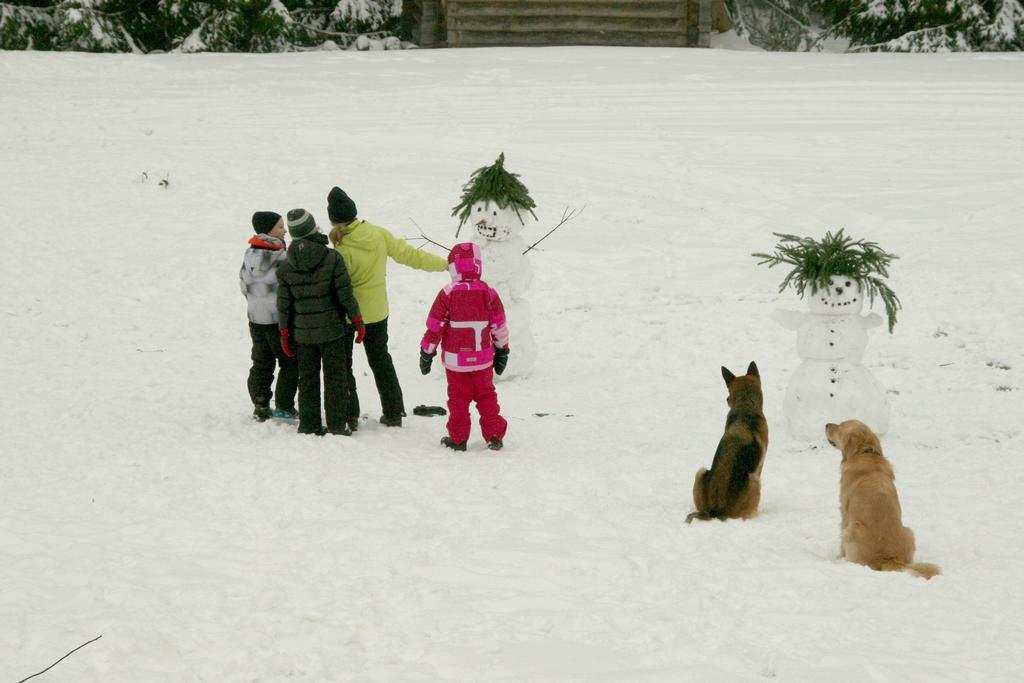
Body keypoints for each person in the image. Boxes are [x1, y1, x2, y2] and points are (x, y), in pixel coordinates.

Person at [326, 186, 447, 430]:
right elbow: (411, 256)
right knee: (381, 360)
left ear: (332, 219)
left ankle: (350, 414)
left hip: (349, 316)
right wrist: (445, 264)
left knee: (344, 364)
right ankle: (393, 411)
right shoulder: (378, 234)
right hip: (378, 312)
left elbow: (337, 287)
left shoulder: (341, 248)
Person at [276, 208, 365, 436]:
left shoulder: (285, 265)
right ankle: (337, 425)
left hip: (302, 334)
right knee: (336, 378)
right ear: (312, 227)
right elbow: (345, 295)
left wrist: (284, 332)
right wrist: (357, 320)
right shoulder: (332, 257)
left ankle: (308, 424)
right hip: (332, 331)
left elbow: (284, 305)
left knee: (306, 379)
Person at [419, 242, 510, 451]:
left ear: (454, 266)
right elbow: (499, 325)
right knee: (486, 395)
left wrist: (427, 352)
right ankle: (494, 434)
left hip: (456, 362)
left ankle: (458, 439)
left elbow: (435, 326)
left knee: (458, 399)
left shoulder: (448, 293)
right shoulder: (489, 293)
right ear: (478, 265)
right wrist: (502, 350)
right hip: (483, 359)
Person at [240, 211, 297, 422]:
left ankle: (260, 403)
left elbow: (243, 285)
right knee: (290, 362)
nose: (285, 230)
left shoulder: (249, 255)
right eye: (280, 226)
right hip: (277, 321)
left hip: (255, 319)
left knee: (261, 362)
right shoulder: (282, 257)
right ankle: (284, 405)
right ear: (269, 230)